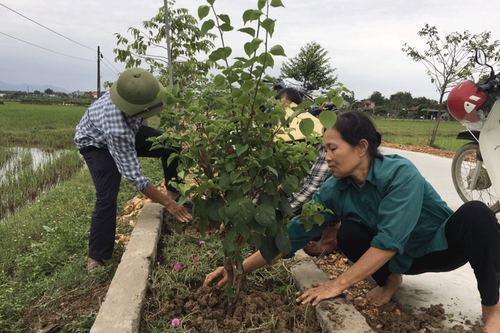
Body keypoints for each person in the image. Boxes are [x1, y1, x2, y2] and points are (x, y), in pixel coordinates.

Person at [205, 111, 500, 332]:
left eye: (333, 149)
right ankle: (390, 280)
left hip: (438, 249)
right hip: (399, 259)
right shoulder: (335, 189)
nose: (327, 157)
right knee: (349, 233)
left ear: (361, 147)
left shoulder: (400, 174)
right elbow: (294, 234)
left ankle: (492, 311)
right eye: (325, 149)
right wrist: (239, 269)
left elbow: (389, 240)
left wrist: (337, 284)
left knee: (477, 214)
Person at [74, 68, 192, 272]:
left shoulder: (133, 89)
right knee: (107, 195)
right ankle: (96, 257)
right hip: (96, 143)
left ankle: (173, 191)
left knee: (171, 143)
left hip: (130, 130)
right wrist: (167, 205)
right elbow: (135, 177)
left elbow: (139, 122)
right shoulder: (116, 126)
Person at [275, 88, 339, 256]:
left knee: (327, 195)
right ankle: (317, 228)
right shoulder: (295, 143)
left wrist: (282, 212)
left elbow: (313, 186)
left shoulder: (322, 145)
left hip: (329, 197)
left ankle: (330, 236)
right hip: (310, 194)